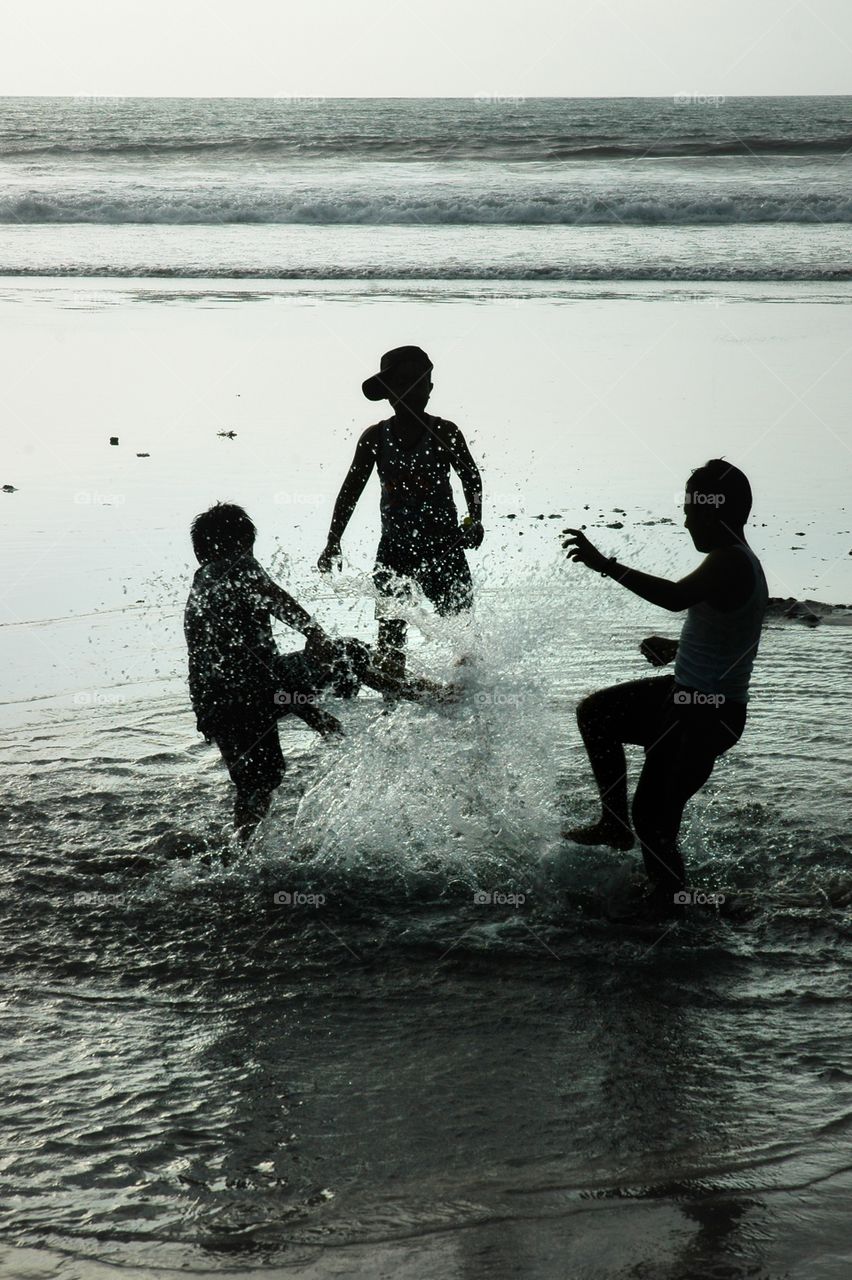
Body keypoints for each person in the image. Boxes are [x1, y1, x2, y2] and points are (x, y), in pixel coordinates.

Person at [562, 459, 768, 911]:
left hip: (704, 715)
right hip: (687, 698)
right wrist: (681, 648)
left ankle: (669, 905)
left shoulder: (730, 561)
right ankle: (616, 828)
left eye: (692, 509)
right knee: (596, 714)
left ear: (715, 512)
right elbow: (734, 634)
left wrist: (604, 564)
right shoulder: (737, 562)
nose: (686, 518)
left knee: (654, 818)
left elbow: (675, 598)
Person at [185, 502, 454, 843]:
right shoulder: (237, 565)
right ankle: (431, 697)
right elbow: (273, 599)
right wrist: (314, 635)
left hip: (216, 705)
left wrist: (309, 711)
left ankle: (239, 855)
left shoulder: (202, 585)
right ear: (240, 543)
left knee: (257, 782)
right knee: (350, 653)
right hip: (250, 692)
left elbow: (253, 671)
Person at [317, 346, 483, 677]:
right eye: (403, 383)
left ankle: (468, 694)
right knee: (390, 638)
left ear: (430, 388)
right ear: (388, 393)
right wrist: (333, 541)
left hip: (444, 547)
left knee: (462, 632)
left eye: (420, 383)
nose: (412, 390)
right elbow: (350, 490)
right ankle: (393, 698)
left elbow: (471, 477)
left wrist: (475, 520)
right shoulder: (375, 437)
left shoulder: (445, 432)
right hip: (395, 551)